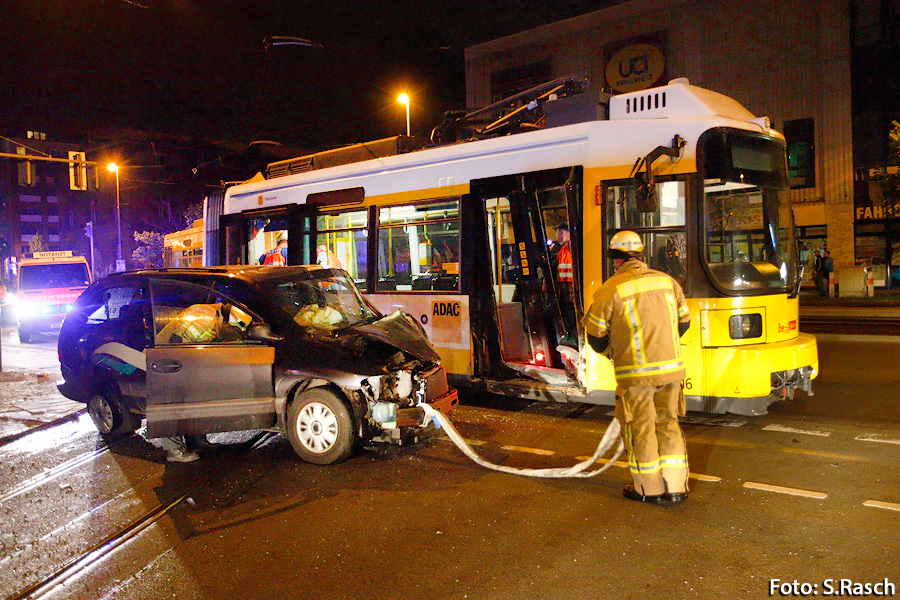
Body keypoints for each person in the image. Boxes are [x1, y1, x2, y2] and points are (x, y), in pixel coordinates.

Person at [583, 230, 692, 508]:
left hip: (636, 376)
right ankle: (677, 487)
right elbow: (683, 323)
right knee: (668, 424)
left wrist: (613, 352)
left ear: (615, 260)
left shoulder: (611, 289)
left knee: (641, 428)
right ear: (640, 255)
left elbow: (595, 336)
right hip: (671, 371)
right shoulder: (667, 282)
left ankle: (649, 489)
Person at [553, 222, 576, 344]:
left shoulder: (565, 251)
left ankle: (570, 339)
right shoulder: (569, 248)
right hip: (570, 292)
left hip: (567, 293)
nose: (556, 236)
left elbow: (564, 276)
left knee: (569, 318)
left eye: (557, 232)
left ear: (562, 233)